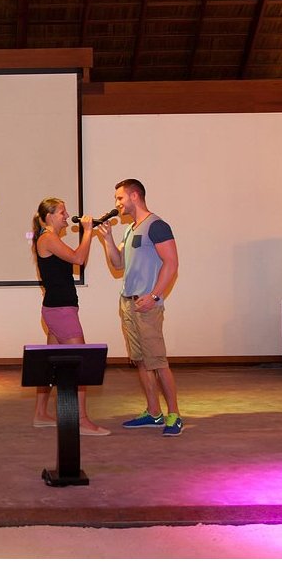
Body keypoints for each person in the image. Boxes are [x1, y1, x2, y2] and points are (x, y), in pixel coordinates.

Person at [95, 179, 184, 436]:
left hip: (147, 306)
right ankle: (154, 413)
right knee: (141, 361)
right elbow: (117, 264)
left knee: (158, 361)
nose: (117, 204)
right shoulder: (129, 229)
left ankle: (174, 415)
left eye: (120, 198)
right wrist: (108, 239)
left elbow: (171, 263)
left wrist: (155, 296)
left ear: (135, 196)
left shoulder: (156, 226)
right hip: (128, 303)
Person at [31, 197, 110, 436]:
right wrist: (88, 232)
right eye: (62, 212)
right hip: (60, 311)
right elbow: (78, 259)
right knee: (80, 363)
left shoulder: (50, 238)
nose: (67, 216)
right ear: (49, 216)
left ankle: (40, 414)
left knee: (50, 365)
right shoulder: (48, 238)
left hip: (57, 310)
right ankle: (81, 420)